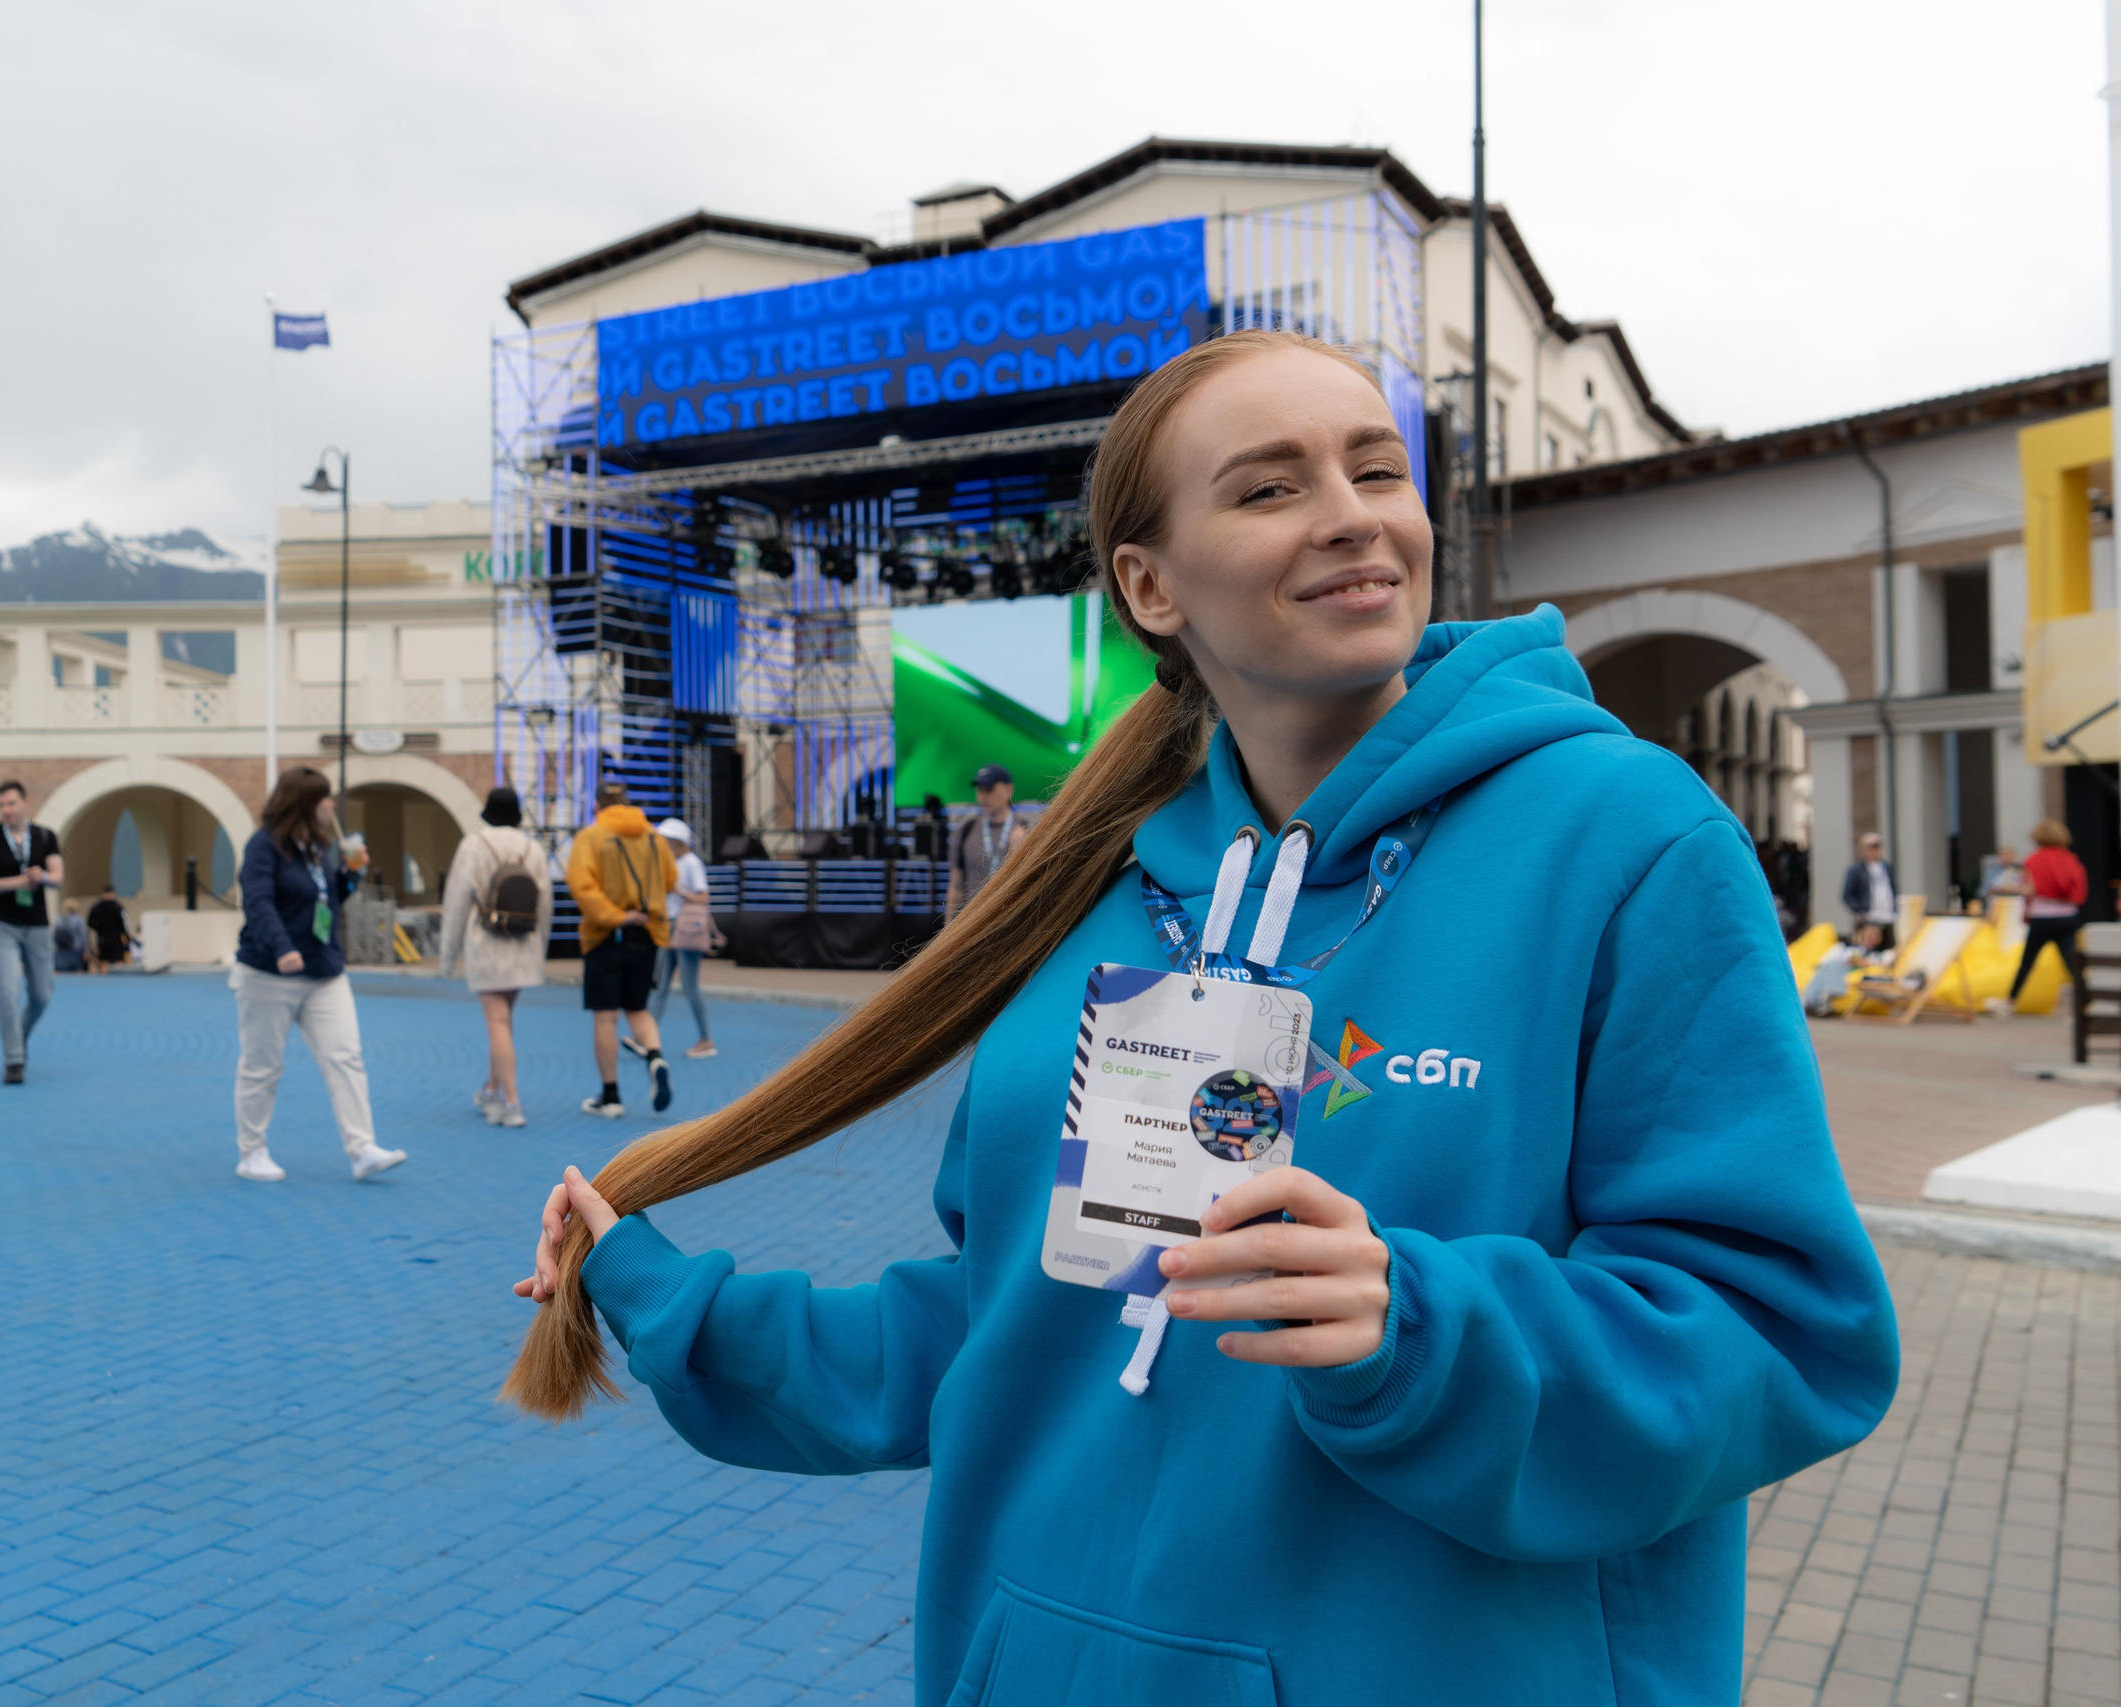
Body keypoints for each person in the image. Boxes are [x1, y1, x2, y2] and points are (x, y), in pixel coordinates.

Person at [509, 329, 1899, 1706]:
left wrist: (1421, 1328)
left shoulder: (1628, 841)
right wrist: (663, 1291)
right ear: (1149, 585)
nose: (1354, 517)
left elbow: (1778, 1324)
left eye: (1377, 469)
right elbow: (1010, 1328)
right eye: (1271, 486)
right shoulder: (1102, 895)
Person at [230, 766, 405, 1183]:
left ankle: (362, 1148)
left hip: (323, 972)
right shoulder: (263, 847)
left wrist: (348, 878)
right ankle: (251, 1151)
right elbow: (258, 903)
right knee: (263, 1065)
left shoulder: (314, 849)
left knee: (345, 1056)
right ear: (306, 804)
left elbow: (322, 902)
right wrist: (282, 947)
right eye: (325, 798)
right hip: (269, 975)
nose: (332, 804)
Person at [439, 784, 552, 1128]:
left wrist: (448, 955)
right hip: (522, 946)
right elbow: (545, 903)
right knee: (502, 1023)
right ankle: (490, 1089)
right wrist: (541, 949)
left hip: (486, 944)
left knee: (497, 1023)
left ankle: (511, 1102)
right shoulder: (533, 847)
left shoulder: (475, 845)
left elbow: (457, 900)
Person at [565, 780, 674, 1116]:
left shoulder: (591, 837)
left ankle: (611, 1097)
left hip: (606, 936)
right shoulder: (654, 837)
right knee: (638, 1009)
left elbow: (581, 886)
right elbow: (671, 879)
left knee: (605, 1019)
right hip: (648, 933)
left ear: (597, 806)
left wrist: (615, 915)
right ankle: (655, 1057)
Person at [0, 780, 65, 1084]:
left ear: (25, 803)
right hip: (1, 924)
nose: (6, 810)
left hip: (37, 924)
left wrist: (43, 877)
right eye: (1, 805)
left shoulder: (45, 837)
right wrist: (16, 882)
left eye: (11, 803)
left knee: (42, 994)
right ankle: (14, 1060)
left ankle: (18, 1038)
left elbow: (58, 876)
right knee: (7, 992)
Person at [650, 816, 716, 1059]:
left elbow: (703, 897)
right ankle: (647, 1040)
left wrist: (678, 891)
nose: (663, 842)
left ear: (678, 841)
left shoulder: (690, 863)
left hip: (685, 931)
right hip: (670, 929)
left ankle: (706, 1039)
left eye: (667, 839)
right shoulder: (673, 862)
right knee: (660, 986)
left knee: (689, 987)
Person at [2011, 817, 2089, 1006]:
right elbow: (2080, 890)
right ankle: (2089, 1001)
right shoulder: (2071, 859)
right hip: (2067, 916)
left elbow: (2031, 889)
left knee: (2027, 961)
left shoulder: (2034, 859)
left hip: (2042, 917)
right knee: (2071, 963)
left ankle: (2010, 1001)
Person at [943, 762, 1028, 920]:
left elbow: (1032, 886)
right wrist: (948, 929)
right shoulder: (966, 830)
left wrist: (1021, 854)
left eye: (989, 789)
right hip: (972, 923)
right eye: (980, 790)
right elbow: (956, 886)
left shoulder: (1025, 831)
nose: (983, 796)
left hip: (1011, 922)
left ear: (1009, 789)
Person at [1840, 831, 1898, 951]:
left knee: (1888, 948)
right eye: (1870, 848)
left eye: (1876, 848)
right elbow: (1847, 895)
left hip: (1887, 916)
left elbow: (1892, 888)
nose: (1874, 851)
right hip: (1869, 917)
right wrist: (1860, 910)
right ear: (1864, 850)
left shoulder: (1887, 867)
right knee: (1867, 948)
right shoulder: (1856, 870)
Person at [86, 886, 131, 973]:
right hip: (116, 939)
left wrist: (98, 928)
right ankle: (119, 980)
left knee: (104, 961)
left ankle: (104, 979)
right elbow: (125, 924)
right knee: (118, 960)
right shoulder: (118, 907)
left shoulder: (96, 907)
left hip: (102, 938)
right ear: (113, 894)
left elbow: (89, 922)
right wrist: (126, 937)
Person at [52, 900, 89, 973]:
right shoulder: (78, 919)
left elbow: (54, 936)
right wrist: (86, 951)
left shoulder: (58, 919)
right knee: (74, 973)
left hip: (60, 950)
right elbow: (83, 937)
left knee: (60, 972)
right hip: (75, 949)